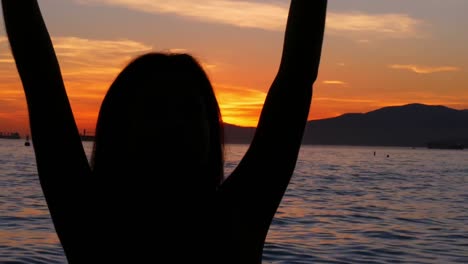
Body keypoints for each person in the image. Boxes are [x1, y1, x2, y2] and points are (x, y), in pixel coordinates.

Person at [2, 0, 327, 263]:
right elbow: (39, 76)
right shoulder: (91, 221)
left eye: (187, 111)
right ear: (120, 129)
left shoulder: (236, 216)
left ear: (210, 130)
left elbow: (296, 78)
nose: (174, 126)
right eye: (155, 111)